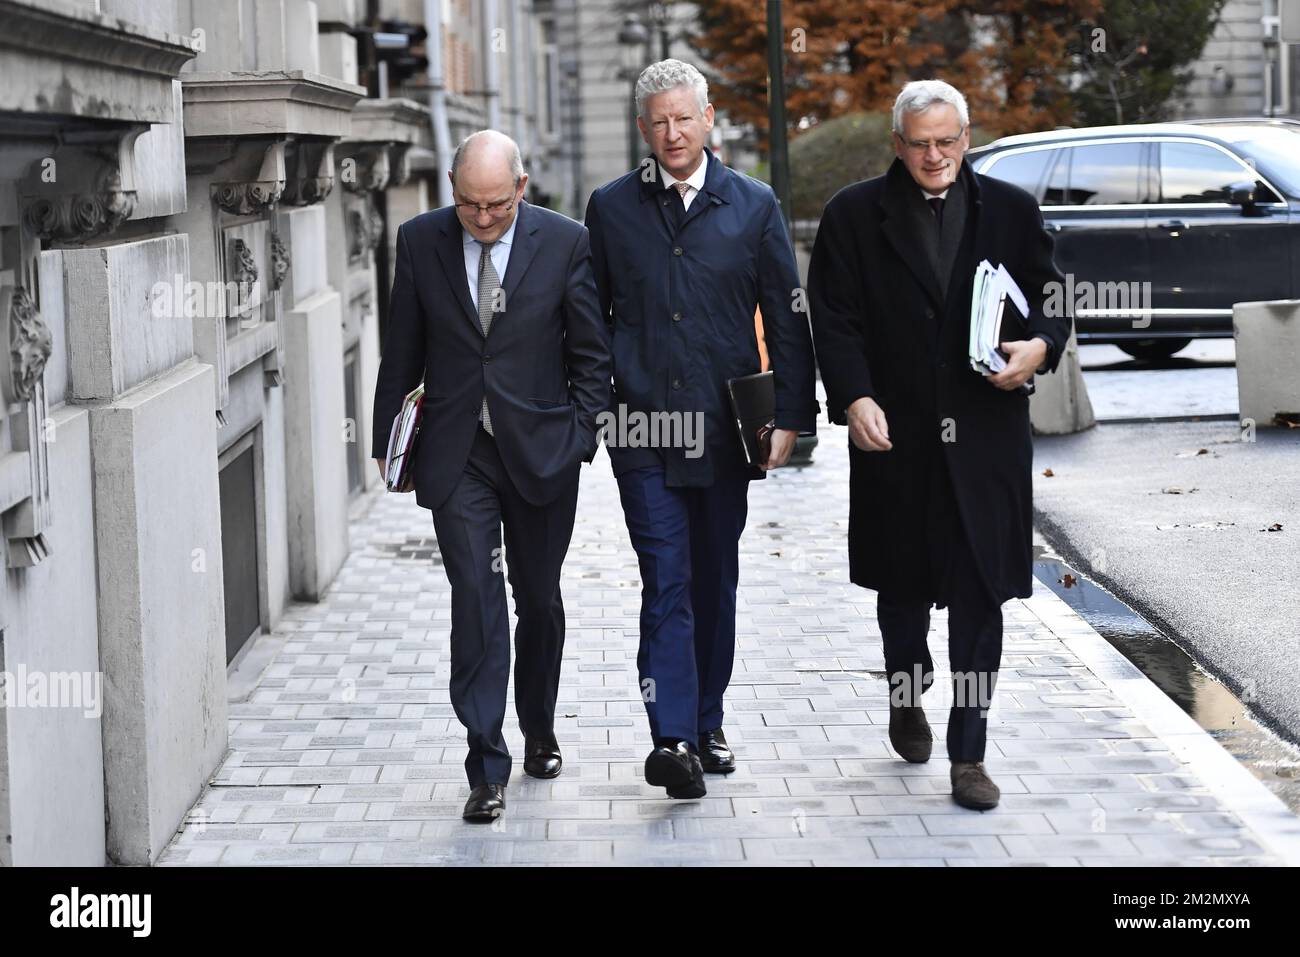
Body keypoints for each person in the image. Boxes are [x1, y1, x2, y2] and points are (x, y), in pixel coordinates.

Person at [807, 80, 1070, 810]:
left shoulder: (1010, 210)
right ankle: (906, 689)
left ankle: (969, 751)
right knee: (902, 592)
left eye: (947, 141)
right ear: (897, 144)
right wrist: (855, 396)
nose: (934, 156)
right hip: (895, 436)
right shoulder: (853, 214)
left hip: (986, 439)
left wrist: (1040, 347)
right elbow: (834, 318)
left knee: (981, 594)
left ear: (967, 139)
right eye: (920, 143)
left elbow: (1052, 296)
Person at [585, 59, 819, 799]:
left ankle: (707, 720)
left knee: (714, 578)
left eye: (684, 118)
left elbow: (786, 315)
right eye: (658, 122)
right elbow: (588, 318)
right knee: (666, 579)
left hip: (725, 430)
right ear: (642, 129)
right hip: (643, 429)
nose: (673, 133)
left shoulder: (752, 205)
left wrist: (793, 417)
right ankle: (673, 738)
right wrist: (599, 406)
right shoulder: (611, 207)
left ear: (708, 118)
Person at [371, 130, 611, 821]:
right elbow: (401, 348)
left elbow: (591, 353)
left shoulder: (565, 241)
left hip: (541, 452)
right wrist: (388, 441)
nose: (482, 218)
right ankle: (485, 762)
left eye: (497, 205)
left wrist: (580, 438)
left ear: (522, 189)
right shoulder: (420, 241)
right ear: (452, 188)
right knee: (475, 596)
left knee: (538, 598)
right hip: (458, 454)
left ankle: (539, 725)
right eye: (470, 204)